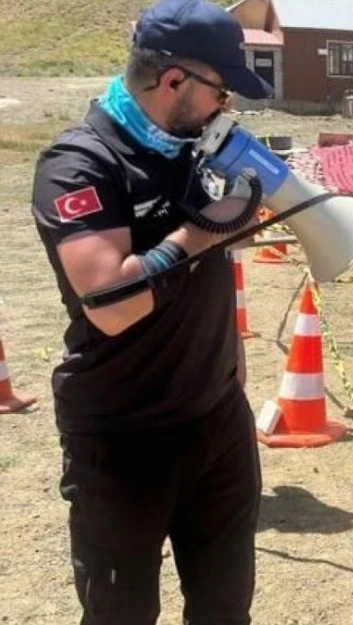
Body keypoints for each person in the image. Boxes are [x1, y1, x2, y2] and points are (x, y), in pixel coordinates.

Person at [28, 0, 275, 623]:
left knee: (225, 609)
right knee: (122, 612)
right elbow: (108, 303)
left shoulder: (190, 147)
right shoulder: (78, 163)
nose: (228, 106)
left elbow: (211, 273)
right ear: (173, 82)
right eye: (221, 90)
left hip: (216, 421)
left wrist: (231, 369)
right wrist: (199, 235)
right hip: (124, 436)